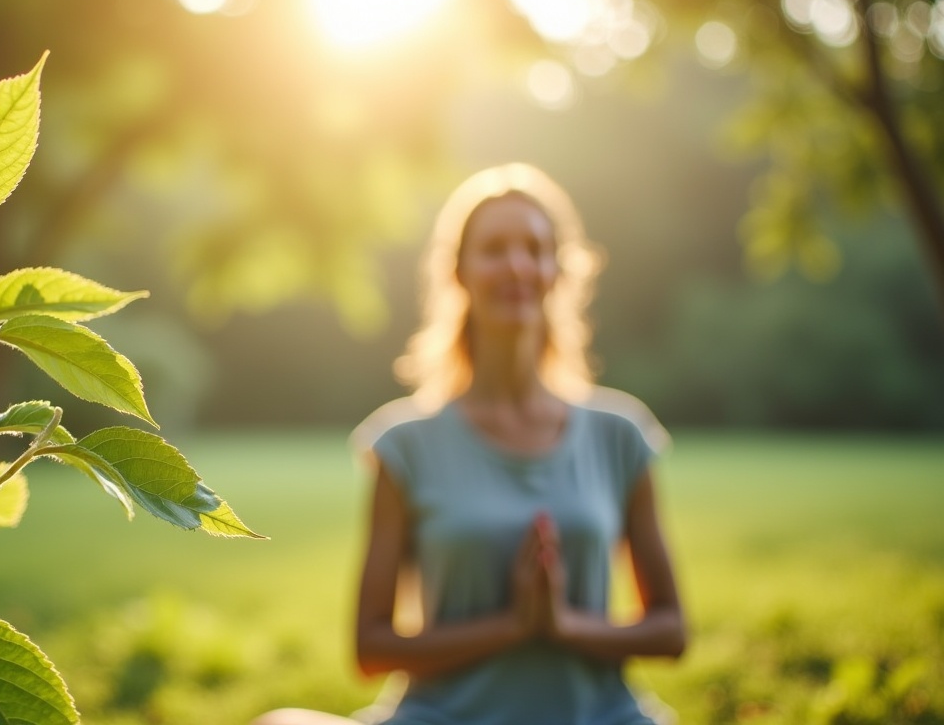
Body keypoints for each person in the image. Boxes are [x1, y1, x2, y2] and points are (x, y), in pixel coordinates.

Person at [252, 164, 686, 725]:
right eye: (495, 249)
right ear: (458, 270)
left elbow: (671, 630)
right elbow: (371, 647)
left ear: (559, 269)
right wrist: (513, 626)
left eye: (535, 247)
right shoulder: (404, 444)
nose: (516, 265)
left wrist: (564, 625)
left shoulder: (620, 433)